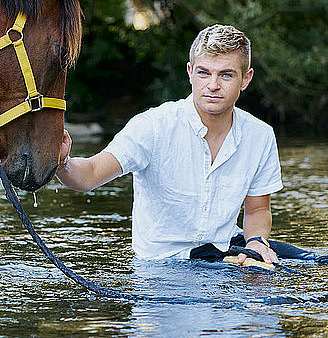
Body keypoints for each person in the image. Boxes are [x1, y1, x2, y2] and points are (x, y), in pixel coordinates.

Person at [56, 24, 284, 266]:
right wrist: (62, 163)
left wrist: (257, 241)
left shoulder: (260, 136)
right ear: (190, 72)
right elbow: (88, 175)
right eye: (204, 73)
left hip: (223, 258)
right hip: (160, 268)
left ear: (245, 79)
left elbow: (257, 210)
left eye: (226, 75)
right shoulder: (152, 126)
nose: (213, 85)